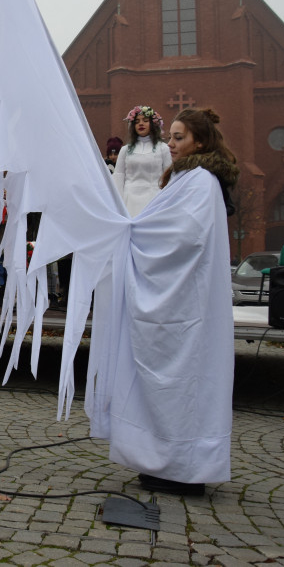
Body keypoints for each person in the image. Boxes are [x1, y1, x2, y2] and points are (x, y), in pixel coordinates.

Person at [117, 107, 239, 496]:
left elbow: (186, 236)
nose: (170, 143)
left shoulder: (200, 181)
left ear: (199, 142)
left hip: (187, 302)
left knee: (185, 381)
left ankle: (186, 469)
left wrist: (134, 234)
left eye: (178, 137)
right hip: (177, 299)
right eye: (169, 136)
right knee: (168, 382)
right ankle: (166, 463)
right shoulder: (186, 178)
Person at [112, 104, 172, 216]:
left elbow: (169, 176)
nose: (141, 124)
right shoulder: (125, 150)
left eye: (145, 120)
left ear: (153, 124)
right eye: (137, 121)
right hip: (129, 199)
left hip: (155, 199)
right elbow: (119, 176)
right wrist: (118, 204)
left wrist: (167, 201)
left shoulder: (163, 148)